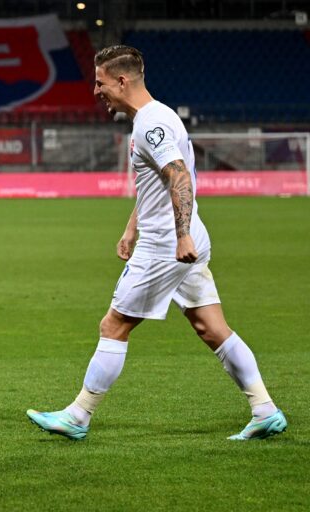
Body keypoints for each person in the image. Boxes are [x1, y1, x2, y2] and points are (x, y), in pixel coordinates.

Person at [27, 45, 286, 441]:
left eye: (100, 83)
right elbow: (159, 184)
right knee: (211, 327)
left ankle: (77, 416)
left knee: (113, 325)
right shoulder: (151, 119)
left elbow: (178, 176)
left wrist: (180, 236)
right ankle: (264, 408)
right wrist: (132, 227)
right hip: (180, 238)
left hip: (168, 245)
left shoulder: (152, 124)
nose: (96, 91)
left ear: (122, 80)